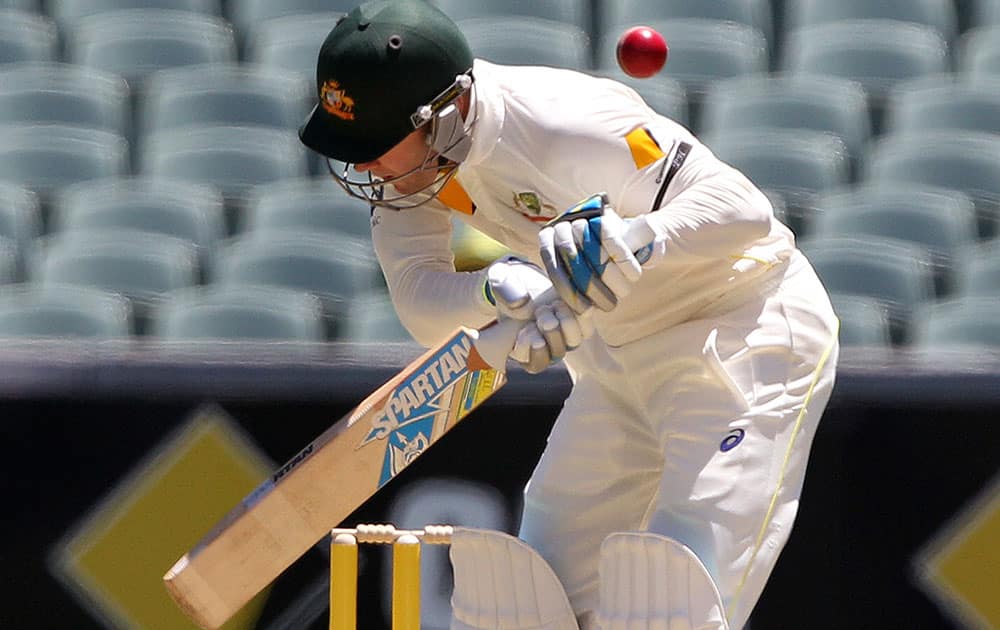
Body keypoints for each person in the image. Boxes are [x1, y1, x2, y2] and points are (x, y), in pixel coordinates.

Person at [299, 1, 840, 628]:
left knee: (673, 591)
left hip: (743, 331)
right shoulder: (416, 170)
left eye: (375, 145)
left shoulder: (564, 121)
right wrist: (497, 288)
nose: (364, 166)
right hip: (617, 361)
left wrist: (635, 239)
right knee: (531, 591)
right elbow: (419, 298)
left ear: (445, 114)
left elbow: (743, 209)